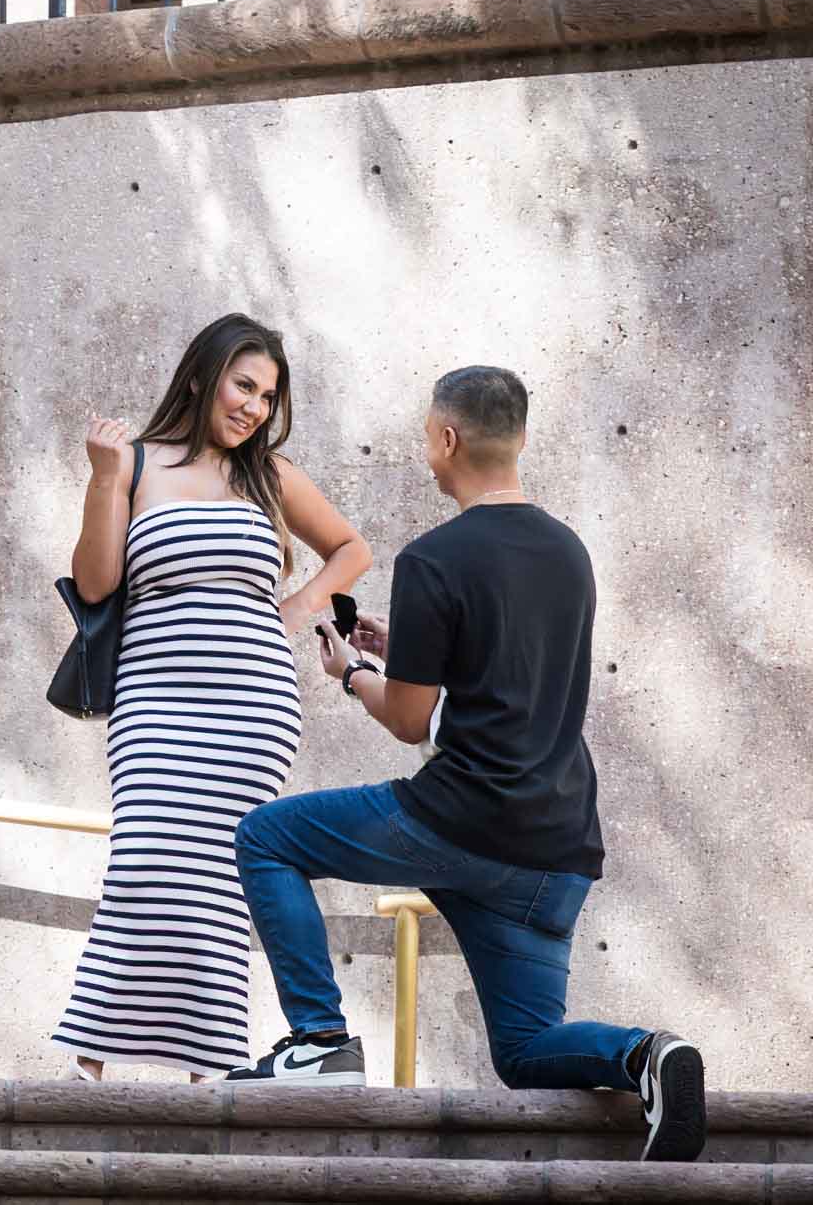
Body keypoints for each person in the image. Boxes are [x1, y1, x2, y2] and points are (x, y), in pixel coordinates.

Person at [227, 366, 706, 1163]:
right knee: (524, 1051)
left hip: (458, 820)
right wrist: (405, 650)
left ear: (447, 439)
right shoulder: (569, 553)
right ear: (518, 438)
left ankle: (320, 1041)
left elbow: (410, 720)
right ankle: (648, 1054)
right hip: (556, 850)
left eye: (427, 438)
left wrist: (352, 673)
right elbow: (507, 691)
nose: (428, 452)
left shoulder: (434, 559)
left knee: (267, 838)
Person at [51, 314, 371, 1082]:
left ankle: (210, 1071)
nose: (255, 406)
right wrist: (102, 476)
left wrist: (291, 613)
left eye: (268, 394)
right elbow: (96, 583)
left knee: (222, 881)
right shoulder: (133, 463)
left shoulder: (270, 475)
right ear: (202, 376)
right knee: (144, 860)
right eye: (244, 385)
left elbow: (351, 549)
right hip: (156, 700)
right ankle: (89, 1063)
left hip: (252, 705)